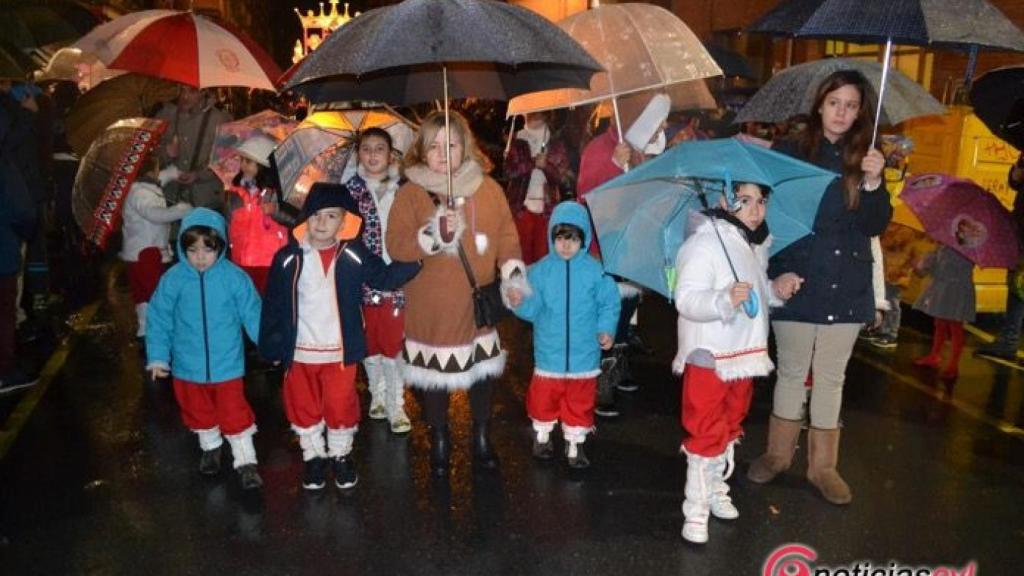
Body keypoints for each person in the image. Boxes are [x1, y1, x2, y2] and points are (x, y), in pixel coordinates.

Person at [747, 70, 891, 505]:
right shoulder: (791, 151)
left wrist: (873, 184)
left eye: (851, 105)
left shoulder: (868, 156)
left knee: (830, 378)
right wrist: (775, 274)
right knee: (791, 371)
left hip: (846, 282)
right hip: (798, 277)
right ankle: (776, 455)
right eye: (834, 103)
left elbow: (873, 225)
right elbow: (769, 216)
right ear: (820, 105)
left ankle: (823, 467)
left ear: (861, 110)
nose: (842, 113)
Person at [386, 110, 527, 478]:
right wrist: (433, 235)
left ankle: (481, 436)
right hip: (431, 306)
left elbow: (508, 236)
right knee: (436, 375)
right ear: (421, 151)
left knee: (482, 372)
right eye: (433, 145)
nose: (443, 152)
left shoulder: (488, 188)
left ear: (465, 146)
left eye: (450, 143)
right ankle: (440, 437)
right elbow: (396, 245)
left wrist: (512, 275)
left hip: (476, 301)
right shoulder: (412, 192)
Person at [258, 183, 420, 491]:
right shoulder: (288, 257)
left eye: (331, 216)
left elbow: (384, 278)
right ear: (305, 218)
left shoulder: (353, 254)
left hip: (339, 350)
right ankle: (313, 457)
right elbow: (274, 304)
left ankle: (341, 455)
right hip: (300, 350)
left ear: (344, 221)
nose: (322, 223)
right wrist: (272, 345)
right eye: (316, 215)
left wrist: (417, 261)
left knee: (340, 403)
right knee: (303, 406)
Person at [674, 182, 802, 544]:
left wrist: (775, 288)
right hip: (711, 354)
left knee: (731, 423)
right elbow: (686, 299)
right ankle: (695, 507)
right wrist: (722, 299)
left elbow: (755, 295)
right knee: (705, 426)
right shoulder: (702, 243)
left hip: (744, 355)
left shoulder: (750, 244)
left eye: (761, 201)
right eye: (745, 200)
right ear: (722, 200)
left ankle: (715, 487)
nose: (756, 209)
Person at [145, 208, 263, 490]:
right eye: (192, 249)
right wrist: (158, 356)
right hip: (187, 365)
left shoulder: (234, 278)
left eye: (208, 250)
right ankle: (210, 446)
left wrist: (269, 343)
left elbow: (253, 312)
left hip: (227, 365)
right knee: (198, 410)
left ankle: (246, 460)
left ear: (220, 247)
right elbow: (159, 318)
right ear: (182, 249)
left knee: (234, 412)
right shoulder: (173, 279)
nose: (200, 257)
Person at [577, 91, 672, 418]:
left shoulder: (640, 151)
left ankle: (617, 366)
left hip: (633, 245)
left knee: (626, 307)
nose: (662, 129)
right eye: (656, 122)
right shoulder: (600, 149)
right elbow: (587, 195)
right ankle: (598, 379)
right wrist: (614, 165)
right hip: (605, 247)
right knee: (608, 313)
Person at [506, 201, 619, 469]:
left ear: (583, 239)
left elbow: (609, 302)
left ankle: (575, 443)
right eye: (560, 238)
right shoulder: (541, 271)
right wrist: (520, 301)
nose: (566, 245)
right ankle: (543, 435)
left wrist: (606, 329)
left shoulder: (594, 271)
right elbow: (533, 310)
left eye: (573, 238)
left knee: (579, 399)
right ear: (551, 237)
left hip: (584, 354)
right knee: (544, 397)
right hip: (549, 353)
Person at [344, 127, 411, 434]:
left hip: (397, 275)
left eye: (379, 148)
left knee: (395, 344)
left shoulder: (405, 187)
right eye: (366, 149)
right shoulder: (349, 189)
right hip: (363, 277)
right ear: (359, 153)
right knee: (370, 342)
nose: (372, 155)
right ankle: (377, 394)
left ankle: (397, 403)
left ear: (391, 154)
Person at [120, 155, 192, 339]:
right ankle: (161, 333)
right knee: (156, 294)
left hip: (137, 252)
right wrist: (180, 210)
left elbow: (159, 180)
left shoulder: (140, 187)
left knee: (143, 296)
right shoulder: (141, 193)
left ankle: (145, 329)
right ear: (151, 170)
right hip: (147, 252)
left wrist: (173, 173)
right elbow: (155, 214)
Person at [0, 98, 39, 393]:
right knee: (4, 313)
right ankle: (4, 372)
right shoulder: (4, 163)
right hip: (2, 254)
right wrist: (23, 234)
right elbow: (23, 211)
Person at [911, 221, 980, 379]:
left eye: (965, 229)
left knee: (955, 326)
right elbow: (931, 266)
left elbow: (956, 268)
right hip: (942, 288)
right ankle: (934, 356)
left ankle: (953, 364)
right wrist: (919, 266)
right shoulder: (944, 245)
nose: (961, 231)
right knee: (940, 323)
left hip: (957, 290)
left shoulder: (970, 250)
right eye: (960, 229)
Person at [503, 111, 574, 265]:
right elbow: (508, 171)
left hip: (547, 211)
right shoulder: (516, 139)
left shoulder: (555, 141)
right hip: (522, 209)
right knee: (521, 260)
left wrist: (546, 166)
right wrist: (532, 164)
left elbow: (563, 177)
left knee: (544, 261)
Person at [225, 134, 289, 295]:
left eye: (248, 161)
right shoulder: (235, 193)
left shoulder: (277, 192)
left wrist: (275, 211)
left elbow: (294, 219)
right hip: (241, 259)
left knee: (268, 302)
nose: (243, 165)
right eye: (242, 160)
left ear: (262, 164)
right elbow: (227, 222)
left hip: (270, 260)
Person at [975, 152, 1024, 360]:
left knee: (1018, 286)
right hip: (1020, 228)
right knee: (1016, 285)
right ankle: (1008, 340)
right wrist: (1017, 171)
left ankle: (1009, 340)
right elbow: (1014, 183)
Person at [155, 85, 232, 211]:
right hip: (169, 197)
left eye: (192, 91)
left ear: (204, 91)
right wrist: (166, 151)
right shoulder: (166, 114)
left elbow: (227, 160)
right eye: (181, 90)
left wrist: (199, 174)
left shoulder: (220, 119)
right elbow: (148, 153)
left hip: (205, 199)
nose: (185, 96)